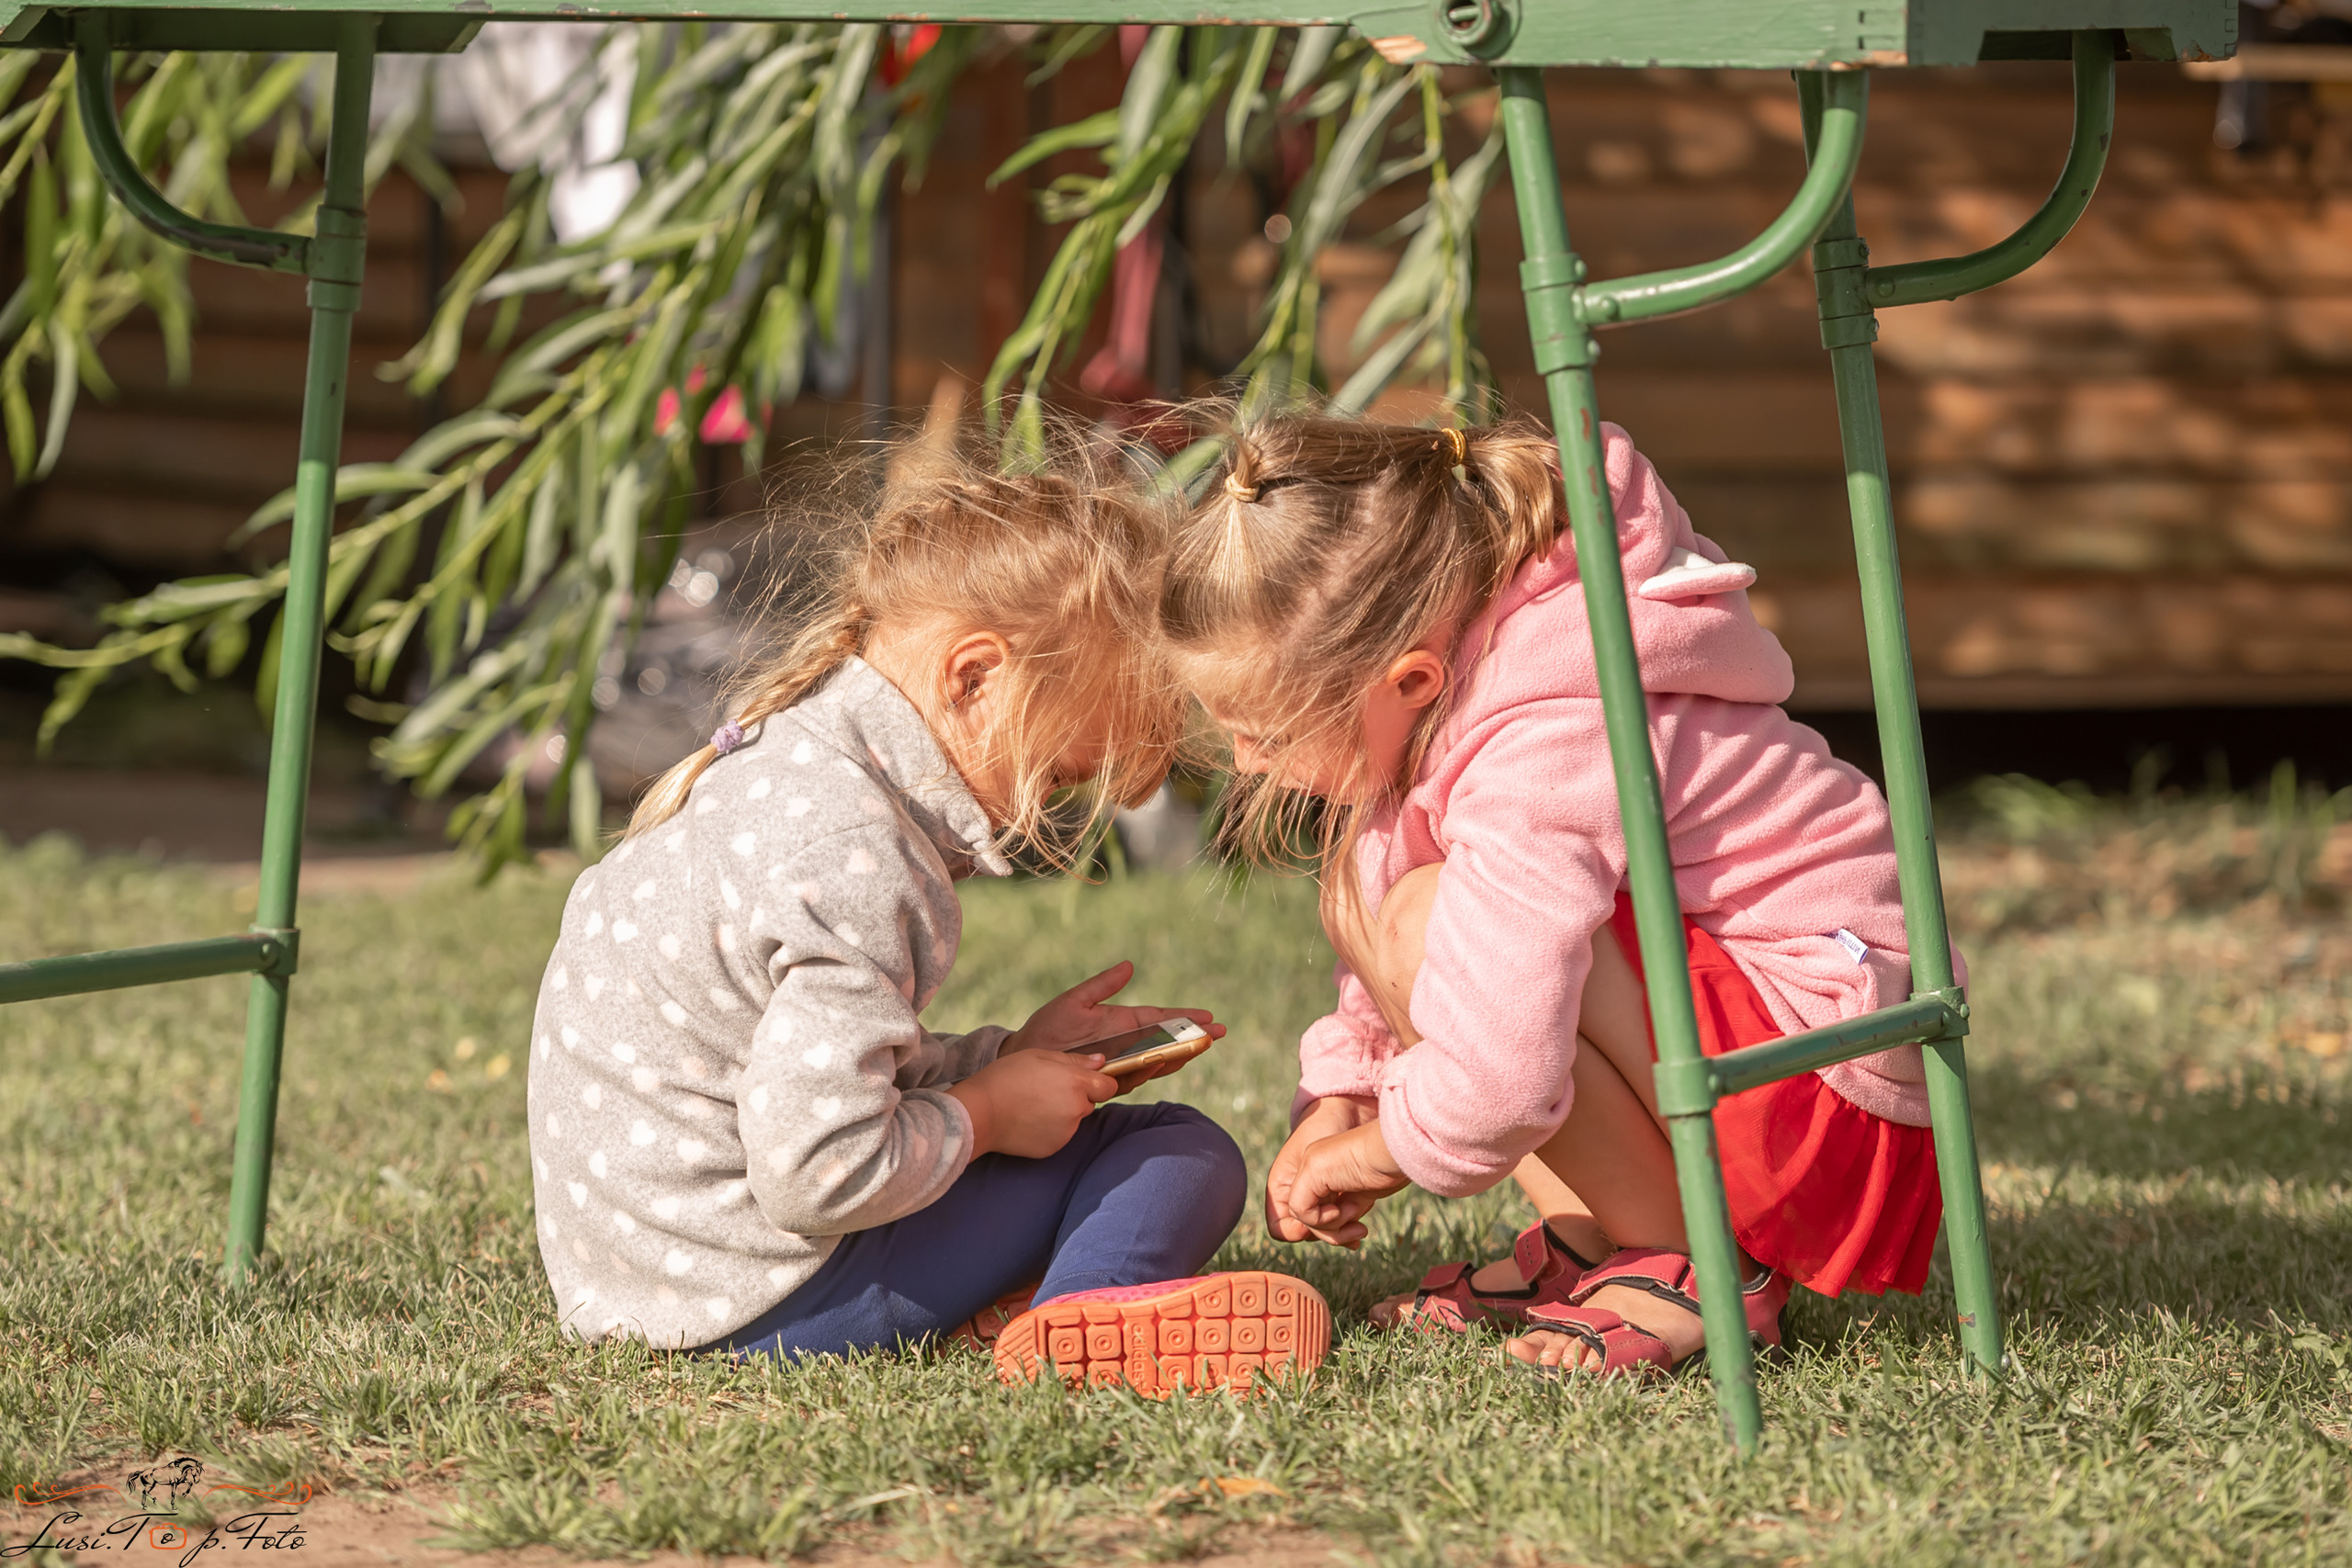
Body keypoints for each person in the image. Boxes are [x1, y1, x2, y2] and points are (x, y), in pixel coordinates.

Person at [1155, 412, 1951, 1377]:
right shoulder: (1465, 687)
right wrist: (1342, 1099)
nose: (1244, 761)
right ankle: (1600, 1236)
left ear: (1407, 678)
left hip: (1829, 1096)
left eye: (1266, 730)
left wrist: (1369, 1158)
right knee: (1385, 902)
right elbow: (1408, 959)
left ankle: (1696, 1269)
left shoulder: (1542, 734)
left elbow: (1500, 1077)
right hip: (1759, 1059)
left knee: (1439, 920)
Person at [527, 444, 1327, 1395]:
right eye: (1062, 774)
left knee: (1104, 1145)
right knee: (1172, 1148)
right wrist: (985, 1115)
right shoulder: (856, 853)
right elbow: (816, 1173)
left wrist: (1000, 1058)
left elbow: (794, 1075)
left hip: (650, 1295)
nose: (1047, 811)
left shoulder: (785, 771)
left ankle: (1016, 1300)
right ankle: (1081, 1320)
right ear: (976, 677)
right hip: (767, 1306)